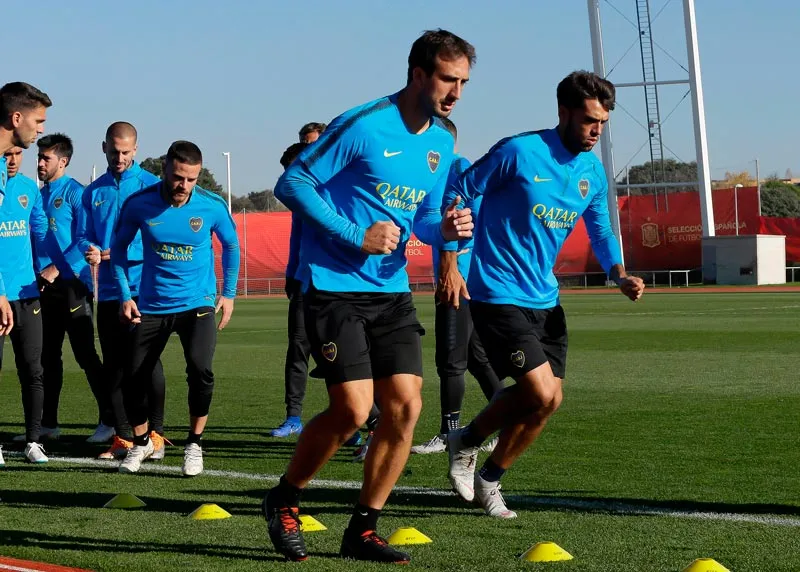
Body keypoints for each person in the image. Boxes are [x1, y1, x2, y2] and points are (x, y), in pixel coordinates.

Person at [265, 29, 475, 563]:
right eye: (448, 80)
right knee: (354, 410)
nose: (456, 92)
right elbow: (293, 184)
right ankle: (285, 498)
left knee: (405, 408)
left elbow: (422, 219)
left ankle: (362, 528)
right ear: (418, 74)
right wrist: (352, 234)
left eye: (464, 83)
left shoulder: (442, 141)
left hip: (391, 291)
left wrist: (446, 227)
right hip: (333, 288)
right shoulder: (361, 124)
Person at [441, 71, 645, 519]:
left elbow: (601, 229)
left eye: (604, 123)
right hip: (497, 292)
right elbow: (459, 189)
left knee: (549, 400)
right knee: (538, 390)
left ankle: (488, 475)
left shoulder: (592, 171)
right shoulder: (518, 152)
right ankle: (469, 439)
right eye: (590, 120)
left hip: (545, 299)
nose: (597, 131)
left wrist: (620, 274)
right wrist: (453, 256)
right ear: (564, 112)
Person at [112, 140, 240, 477]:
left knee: (201, 371)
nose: (183, 185)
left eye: (191, 179)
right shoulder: (139, 204)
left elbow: (231, 245)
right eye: (178, 177)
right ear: (165, 169)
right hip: (151, 305)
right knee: (133, 376)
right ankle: (141, 443)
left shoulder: (211, 205)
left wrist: (228, 294)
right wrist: (126, 295)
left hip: (197, 303)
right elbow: (119, 249)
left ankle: (194, 444)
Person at [69, 121, 167, 457]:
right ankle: (124, 437)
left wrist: (109, 253)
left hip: (145, 289)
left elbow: (155, 240)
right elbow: (81, 236)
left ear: (136, 150)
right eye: (114, 151)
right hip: (109, 291)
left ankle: (156, 435)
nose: (120, 157)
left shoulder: (153, 187)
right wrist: (90, 249)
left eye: (126, 152)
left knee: (147, 362)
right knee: (115, 366)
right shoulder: (92, 192)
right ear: (104, 148)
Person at [410, 117, 504, 456]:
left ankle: (449, 432)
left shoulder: (458, 169)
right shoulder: (433, 171)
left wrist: (455, 263)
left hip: (459, 282)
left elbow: (473, 219)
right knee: (476, 357)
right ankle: (507, 418)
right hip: (458, 279)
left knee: (450, 360)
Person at [13, 134, 106, 443]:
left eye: (46, 158)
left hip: (70, 286)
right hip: (40, 288)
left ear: (63, 161)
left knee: (85, 355)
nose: (40, 163)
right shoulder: (35, 195)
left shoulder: (75, 194)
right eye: (39, 157)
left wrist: (56, 267)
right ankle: (48, 424)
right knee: (46, 358)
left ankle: (108, 419)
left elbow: (85, 240)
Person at [271, 141, 311, 438]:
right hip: (302, 283)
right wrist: (290, 274)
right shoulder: (300, 200)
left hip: (336, 289)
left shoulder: (336, 194)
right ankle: (293, 417)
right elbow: (296, 239)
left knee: (340, 359)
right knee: (297, 351)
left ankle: (364, 420)